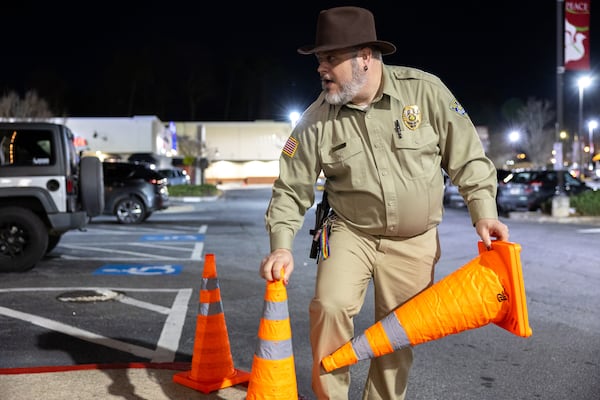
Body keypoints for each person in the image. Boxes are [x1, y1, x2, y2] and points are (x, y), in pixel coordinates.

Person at [260, 6, 509, 400]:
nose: (320, 68)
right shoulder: (314, 120)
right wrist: (282, 248)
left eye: (330, 58)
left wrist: (485, 214)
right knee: (329, 307)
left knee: (397, 335)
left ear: (364, 56)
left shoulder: (425, 92)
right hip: (350, 232)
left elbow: (468, 158)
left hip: (415, 239)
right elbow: (291, 188)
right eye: (319, 59)